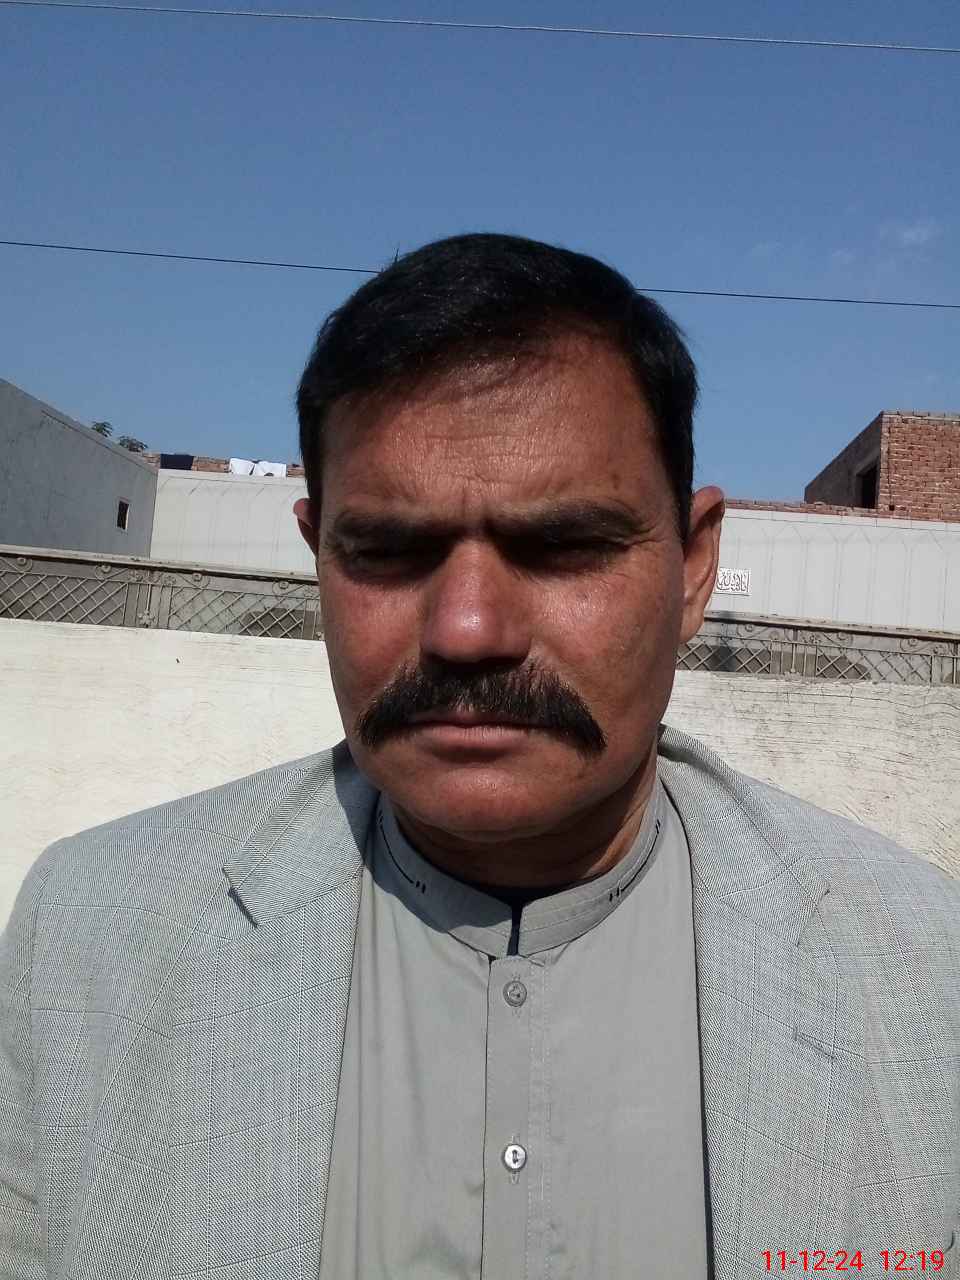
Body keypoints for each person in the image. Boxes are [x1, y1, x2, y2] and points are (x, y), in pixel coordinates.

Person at [1, 233, 957, 1280]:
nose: (465, 629)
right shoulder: (92, 938)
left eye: (563, 547)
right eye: (390, 551)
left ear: (692, 570)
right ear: (317, 555)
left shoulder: (921, 976)